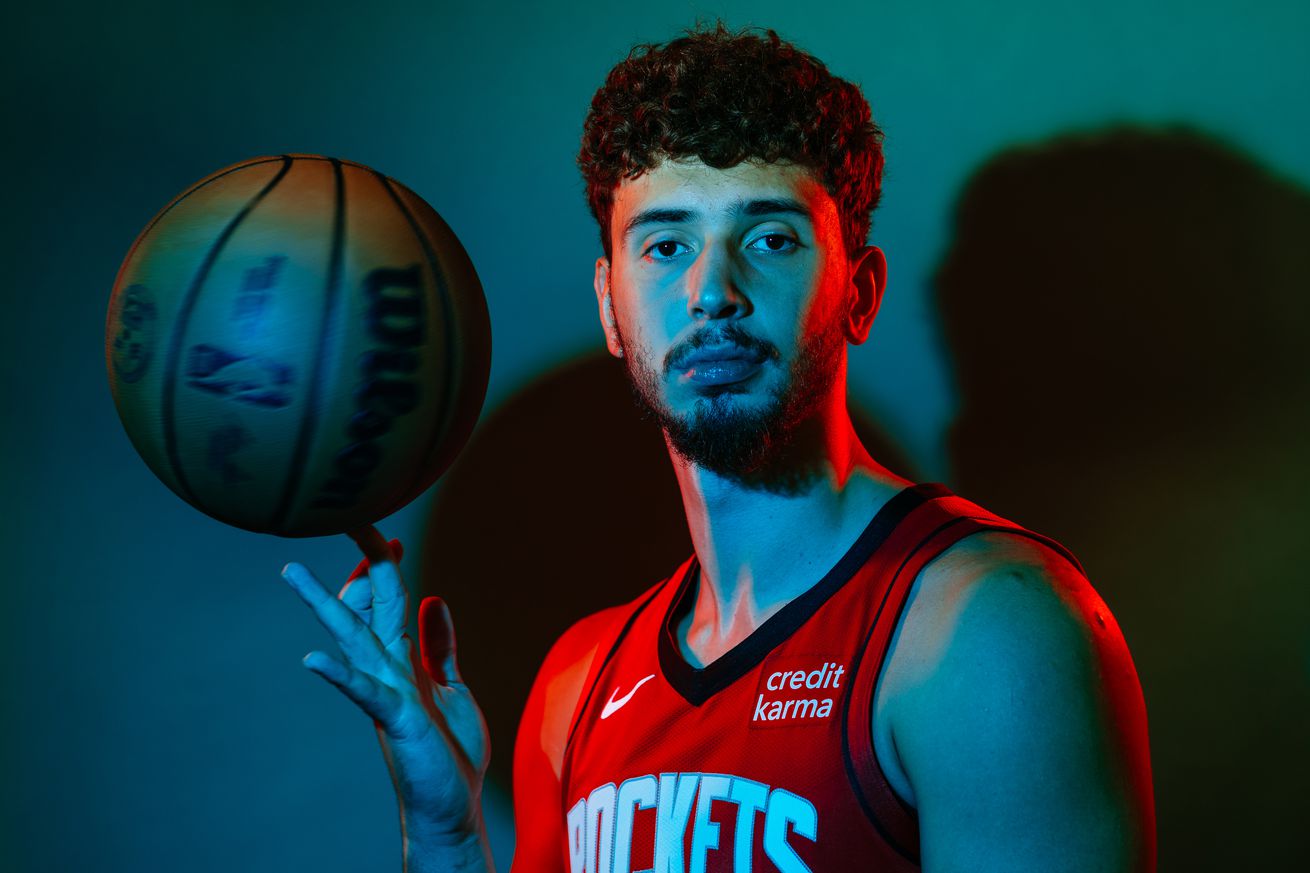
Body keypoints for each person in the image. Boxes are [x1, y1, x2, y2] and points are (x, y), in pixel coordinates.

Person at [280, 24, 1156, 873]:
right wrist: (445, 833)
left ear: (859, 290)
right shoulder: (577, 686)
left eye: (770, 239)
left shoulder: (982, 629)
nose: (712, 291)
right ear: (609, 307)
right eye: (665, 245)